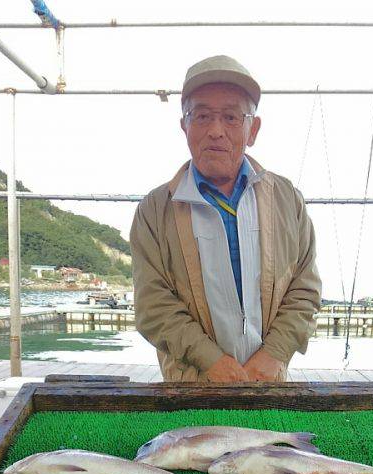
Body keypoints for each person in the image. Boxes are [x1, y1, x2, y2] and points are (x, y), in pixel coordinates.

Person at [131, 55, 321, 382]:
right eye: (202, 116)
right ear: (184, 126)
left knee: (271, 437)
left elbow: (305, 287)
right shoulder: (154, 210)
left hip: (268, 382)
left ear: (253, 129)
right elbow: (153, 305)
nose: (216, 131)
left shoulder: (287, 199)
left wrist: (275, 352)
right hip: (192, 385)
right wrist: (210, 361)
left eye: (231, 117)